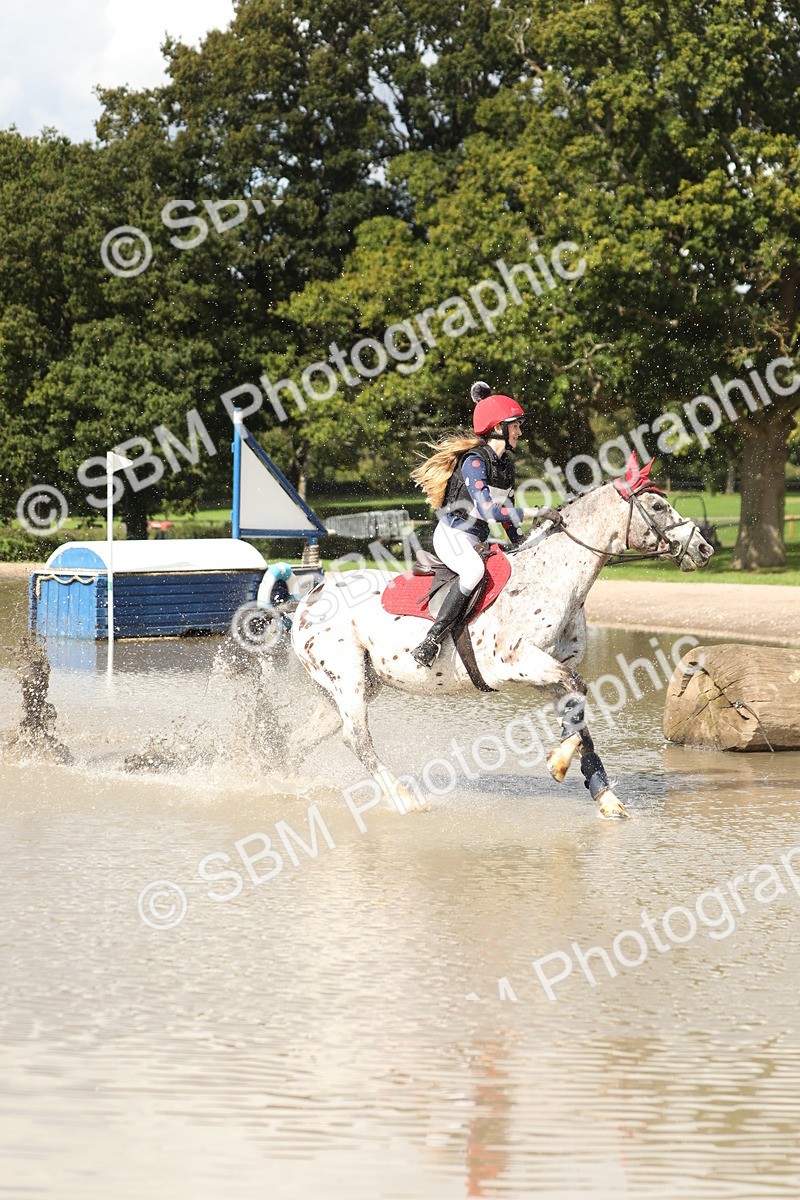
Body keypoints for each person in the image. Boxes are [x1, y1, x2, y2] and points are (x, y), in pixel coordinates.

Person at [409, 381, 528, 668]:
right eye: (515, 426)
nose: (520, 432)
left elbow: (508, 513)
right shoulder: (474, 462)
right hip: (452, 535)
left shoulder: (506, 467)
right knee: (474, 570)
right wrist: (537, 511)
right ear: (498, 427)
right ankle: (431, 641)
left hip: (476, 539)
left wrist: (521, 543)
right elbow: (488, 510)